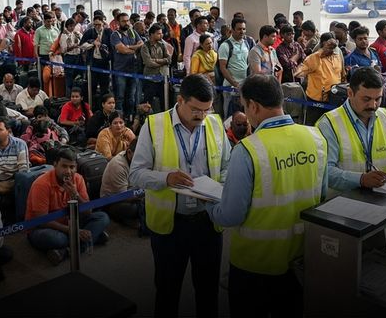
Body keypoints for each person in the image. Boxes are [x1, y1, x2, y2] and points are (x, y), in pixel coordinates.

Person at [207, 74, 326, 317]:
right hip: (302, 258)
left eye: (244, 106)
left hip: (255, 264)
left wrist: (207, 202)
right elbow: (320, 197)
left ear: (253, 106)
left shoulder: (248, 150)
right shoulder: (315, 138)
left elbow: (230, 216)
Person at [128, 74, 231, 318]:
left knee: (208, 291)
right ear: (180, 100)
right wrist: (166, 179)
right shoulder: (153, 126)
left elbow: (227, 166)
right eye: (196, 109)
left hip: (208, 222)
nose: (201, 116)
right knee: (167, 291)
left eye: (206, 110)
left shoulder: (215, 124)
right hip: (170, 227)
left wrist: (219, 189)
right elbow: (136, 174)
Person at [316, 68, 386, 191]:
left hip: (380, 199)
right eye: (366, 99)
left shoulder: (385, 117)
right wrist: (360, 180)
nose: (373, 105)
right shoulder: (329, 124)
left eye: (378, 99)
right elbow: (325, 172)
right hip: (341, 203)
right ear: (350, 93)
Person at [26, 149, 110, 265]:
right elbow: (42, 221)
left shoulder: (78, 179)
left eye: (72, 167)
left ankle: (66, 251)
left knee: (102, 217)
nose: (68, 171)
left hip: (69, 222)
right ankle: (90, 238)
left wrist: (76, 195)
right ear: (55, 165)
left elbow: (88, 212)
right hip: (43, 229)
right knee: (58, 239)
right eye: (64, 166)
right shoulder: (41, 184)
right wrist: (74, 231)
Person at [297, 32, 346, 125]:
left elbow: (342, 73)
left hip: (334, 97)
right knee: (314, 124)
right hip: (316, 99)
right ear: (323, 44)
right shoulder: (315, 55)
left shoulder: (338, 53)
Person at [100, 140, 143, 227]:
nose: (142, 160)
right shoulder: (118, 166)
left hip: (134, 192)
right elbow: (124, 196)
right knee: (135, 208)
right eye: (139, 157)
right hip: (113, 202)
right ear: (129, 152)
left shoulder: (139, 160)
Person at [111, 12, 143, 117]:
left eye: (127, 20)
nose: (126, 23)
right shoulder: (115, 35)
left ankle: (130, 117)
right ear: (118, 22)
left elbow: (141, 44)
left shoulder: (132, 32)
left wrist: (129, 46)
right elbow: (122, 50)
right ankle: (119, 118)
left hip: (133, 69)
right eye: (123, 21)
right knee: (120, 96)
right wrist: (134, 49)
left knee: (131, 97)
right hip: (120, 70)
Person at [218, 18, 250, 117]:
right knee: (230, 117)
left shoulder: (246, 43)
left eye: (244, 29)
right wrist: (235, 84)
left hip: (244, 86)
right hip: (230, 87)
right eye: (239, 29)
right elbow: (223, 68)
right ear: (232, 29)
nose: (242, 32)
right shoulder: (225, 46)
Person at [140, 23, 170, 110]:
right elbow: (148, 62)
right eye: (158, 33)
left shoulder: (162, 45)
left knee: (164, 102)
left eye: (161, 33)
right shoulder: (145, 46)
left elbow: (169, 59)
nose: (161, 35)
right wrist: (163, 62)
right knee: (148, 103)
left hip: (163, 78)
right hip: (150, 78)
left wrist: (156, 60)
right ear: (151, 35)